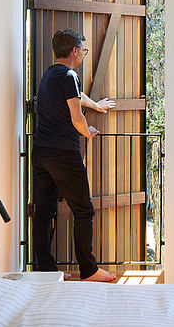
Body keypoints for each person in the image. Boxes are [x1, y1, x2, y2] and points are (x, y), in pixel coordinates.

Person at [31, 28, 118, 282]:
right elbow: (76, 115)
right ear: (74, 51)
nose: (84, 55)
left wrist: (96, 105)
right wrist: (87, 131)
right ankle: (89, 270)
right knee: (83, 211)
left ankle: (46, 272)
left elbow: (77, 97)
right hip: (63, 154)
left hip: (41, 152)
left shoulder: (50, 75)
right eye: (83, 50)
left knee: (43, 212)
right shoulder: (69, 75)